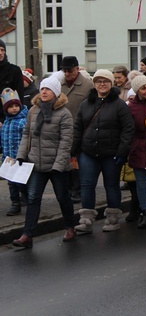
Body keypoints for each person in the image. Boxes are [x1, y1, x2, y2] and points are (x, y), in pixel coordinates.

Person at [11, 77, 76, 248]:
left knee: (63, 197)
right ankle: (27, 235)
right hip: (36, 164)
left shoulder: (64, 113)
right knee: (33, 198)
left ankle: (70, 227)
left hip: (57, 166)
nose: (44, 92)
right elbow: (27, 134)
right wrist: (21, 155)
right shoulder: (33, 111)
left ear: (55, 92)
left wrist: (58, 166)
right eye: (42, 89)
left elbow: (66, 142)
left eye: (48, 89)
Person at [72, 69, 135, 234]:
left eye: (105, 81)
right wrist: (75, 149)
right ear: (94, 84)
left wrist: (122, 151)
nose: (102, 84)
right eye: (99, 81)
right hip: (88, 153)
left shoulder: (119, 105)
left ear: (111, 83)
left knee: (111, 185)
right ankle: (86, 220)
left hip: (111, 153)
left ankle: (113, 218)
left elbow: (128, 129)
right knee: (87, 186)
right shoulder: (86, 104)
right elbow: (78, 127)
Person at [58, 55, 94, 204]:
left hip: (80, 131)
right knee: (64, 163)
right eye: (64, 71)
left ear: (77, 69)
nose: (67, 74)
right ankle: (66, 189)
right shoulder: (59, 85)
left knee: (77, 163)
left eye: (70, 70)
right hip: (61, 131)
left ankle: (77, 190)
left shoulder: (87, 85)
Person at [127, 73, 146, 229]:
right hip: (138, 148)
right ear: (136, 90)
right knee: (141, 184)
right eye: (143, 88)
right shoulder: (131, 107)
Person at [1, 89, 29, 216]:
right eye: (11, 106)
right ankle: (15, 204)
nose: (14, 109)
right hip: (9, 159)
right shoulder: (6, 123)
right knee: (11, 183)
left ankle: (26, 196)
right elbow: (4, 140)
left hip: (20, 157)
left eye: (16, 106)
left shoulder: (23, 121)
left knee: (21, 182)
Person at [0, 39, 24, 120]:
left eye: (2, 50)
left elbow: (19, 99)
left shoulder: (14, 71)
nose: (0, 53)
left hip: (9, 119)